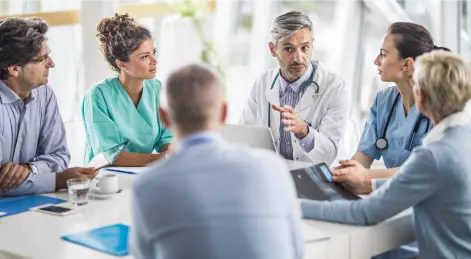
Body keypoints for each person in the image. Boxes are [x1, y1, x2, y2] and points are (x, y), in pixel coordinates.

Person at [302, 51, 471, 259]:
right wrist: (373, 184)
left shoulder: (434, 155)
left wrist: (293, 205)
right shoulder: (463, 137)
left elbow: (364, 213)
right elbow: (434, 183)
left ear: (422, 95)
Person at [130, 63, 303, 259]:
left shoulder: (146, 186)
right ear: (223, 113)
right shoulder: (273, 167)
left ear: (163, 118)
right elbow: (297, 252)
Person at [331, 22, 450, 194]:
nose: (375, 61)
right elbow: (363, 157)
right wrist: (342, 174)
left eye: (383, 54)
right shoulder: (383, 101)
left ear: (406, 65)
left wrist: (365, 176)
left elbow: (422, 172)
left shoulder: (440, 107)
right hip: (391, 193)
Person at [0, 17, 97, 196]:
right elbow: (2, 182)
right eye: (42, 59)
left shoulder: (44, 94)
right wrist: (57, 180)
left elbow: (59, 155)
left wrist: (31, 168)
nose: (51, 64)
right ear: (14, 69)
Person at [240, 11, 350, 165]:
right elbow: (245, 136)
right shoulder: (262, 83)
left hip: (318, 179)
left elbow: (330, 154)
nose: (299, 58)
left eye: (305, 48)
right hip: (276, 174)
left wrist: (304, 132)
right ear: (273, 49)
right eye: (289, 49)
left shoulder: (335, 88)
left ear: (312, 44)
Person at [82, 13, 172, 167]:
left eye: (153, 53)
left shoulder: (157, 89)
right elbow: (110, 155)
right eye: (144, 57)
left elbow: (167, 137)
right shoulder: (98, 96)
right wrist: (159, 159)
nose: (154, 61)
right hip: (104, 179)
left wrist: (171, 153)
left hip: (143, 173)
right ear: (122, 64)